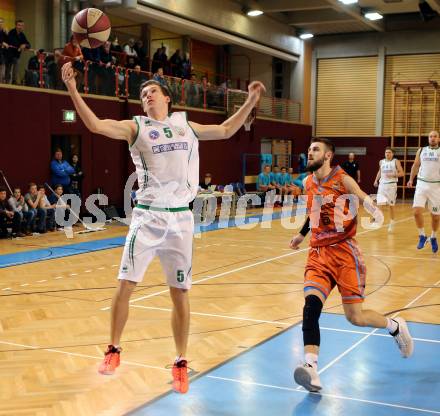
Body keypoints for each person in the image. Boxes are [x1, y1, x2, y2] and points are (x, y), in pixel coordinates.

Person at [61, 60, 265, 393]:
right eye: (142, 94)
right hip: (148, 216)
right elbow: (97, 125)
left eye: (151, 91)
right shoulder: (136, 127)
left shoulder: (186, 125)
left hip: (181, 219)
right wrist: (72, 88)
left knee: (180, 292)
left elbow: (227, 129)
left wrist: (250, 102)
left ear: (167, 97)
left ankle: (180, 361)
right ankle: (113, 350)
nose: (146, 97)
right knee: (126, 284)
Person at [289, 138, 413, 393]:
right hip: (318, 254)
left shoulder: (342, 178)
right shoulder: (307, 182)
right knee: (310, 307)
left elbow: (361, 196)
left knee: (355, 317)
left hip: (345, 253)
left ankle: (395, 326)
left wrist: (374, 210)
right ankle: (311, 368)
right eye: (308, 149)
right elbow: (313, 213)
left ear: (328, 156)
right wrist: (302, 235)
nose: (309, 153)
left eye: (315, 150)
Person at [407, 130, 440, 253]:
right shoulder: (421, 150)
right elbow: (415, 165)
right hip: (421, 184)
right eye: (430, 136)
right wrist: (411, 179)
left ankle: (433, 237)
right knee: (416, 212)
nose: (432, 138)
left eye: (435, 136)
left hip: (436, 187)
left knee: (436, 217)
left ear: (438, 139)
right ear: (428, 138)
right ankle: (422, 235)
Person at [373, 147, 404, 233]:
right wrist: (376, 180)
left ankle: (392, 222)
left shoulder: (396, 161)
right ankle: (378, 221)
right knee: (379, 203)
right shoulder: (381, 162)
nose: (387, 154)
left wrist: (394, 174)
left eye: (389, 152)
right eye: (386, 152)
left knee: (391, 206)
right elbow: (380, 171)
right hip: (382, 185)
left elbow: (402, 173)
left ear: (392, 154)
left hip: (391, 185)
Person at [5, 19, 31, 84]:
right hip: (9, 55)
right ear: (16, 26)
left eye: (22, 25)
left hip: (16, 55)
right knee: (8, 71)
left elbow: (29, 44)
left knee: (16, 71)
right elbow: (12, 42)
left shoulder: (22, 35)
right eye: (19, 25)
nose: (21, 27)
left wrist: (25, 45)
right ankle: (6, 84)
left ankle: (14, 83)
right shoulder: (11, 32)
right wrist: (21, 45)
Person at [0, 17, 8, 84]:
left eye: (1, 22)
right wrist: (2, 43)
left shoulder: (4, 32)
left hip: (2, 54)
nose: (0, 23)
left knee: (2, 72)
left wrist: (7, 34)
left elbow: (9, 41)